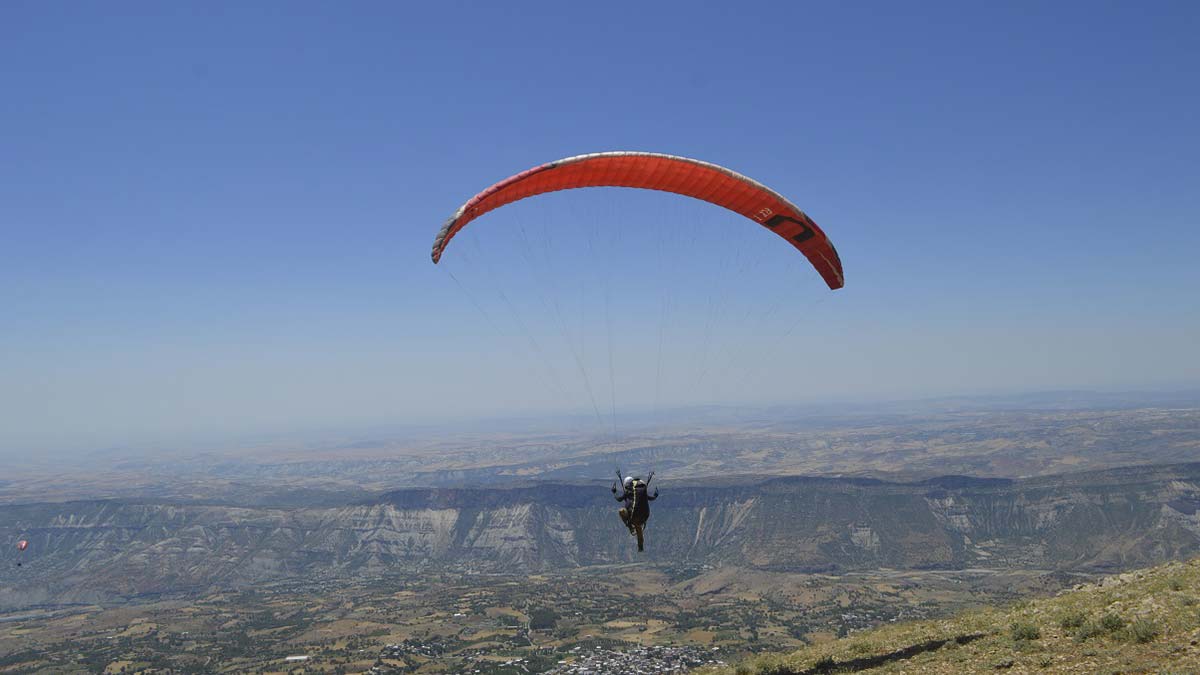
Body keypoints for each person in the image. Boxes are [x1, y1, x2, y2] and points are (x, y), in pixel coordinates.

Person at [612, 472, 658, 552]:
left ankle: (629, 526)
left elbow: (619, 499)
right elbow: (651, 498)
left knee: (621, 511)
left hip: (632, 516)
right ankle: (640, 548)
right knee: (638, 528)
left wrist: (614, 492)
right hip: (643, 517)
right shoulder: (641, 491)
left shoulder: (628, 491)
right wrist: (656, 495)